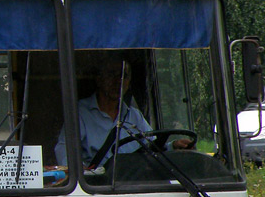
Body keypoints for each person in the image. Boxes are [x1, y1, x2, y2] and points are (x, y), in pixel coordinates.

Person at [54, 54, 189, 167]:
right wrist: (83, 173)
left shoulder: (134, 115)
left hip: (131, 185)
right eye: (112, 74)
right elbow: (64, 151)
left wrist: (173, 146)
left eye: (124, 75)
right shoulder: (81, 113)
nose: (119, 81)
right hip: (97, 189)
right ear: (99, 79)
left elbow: (152, 146)